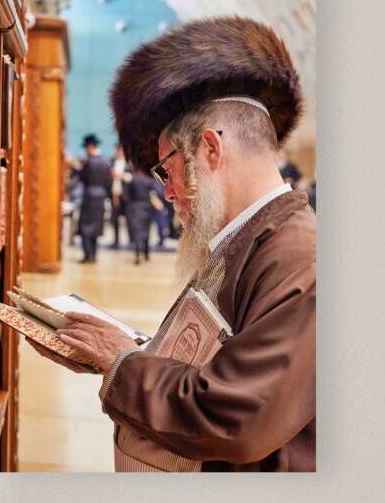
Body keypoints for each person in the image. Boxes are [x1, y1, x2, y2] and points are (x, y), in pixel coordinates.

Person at [32, 17, 316, 472]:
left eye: (166, 169)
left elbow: (234, 414)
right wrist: (127, 349)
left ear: (210, 150)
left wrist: (121, 362)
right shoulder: (250, 240)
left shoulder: (301, 259)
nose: (167, 191)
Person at [77, 134, 112, 263]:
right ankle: (94, 255)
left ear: (90, 147)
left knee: (85, 227)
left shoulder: (89, 162)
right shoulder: (105, 162)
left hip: (89, 196)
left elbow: (82, 178)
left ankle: (88, 255)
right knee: (96, 228)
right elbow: (109, 181)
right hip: (101, 197)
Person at [126, 170, 156, 263]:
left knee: (138, 231)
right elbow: (154, 193)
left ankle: (138, 254)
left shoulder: (133, 180)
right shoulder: (149, 180)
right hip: (147, 207)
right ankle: (146, 254)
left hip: (136, 207)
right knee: (146, 230)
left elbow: (128, 195)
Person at [110, 144, 131, 248]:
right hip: (115, 195)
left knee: (129, 219)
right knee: (115, 219)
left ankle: (131, 241)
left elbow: (132, 178)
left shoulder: (128, 164)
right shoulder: (112, 163)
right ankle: (115, 240)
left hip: (126, 195)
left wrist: (121, 175)